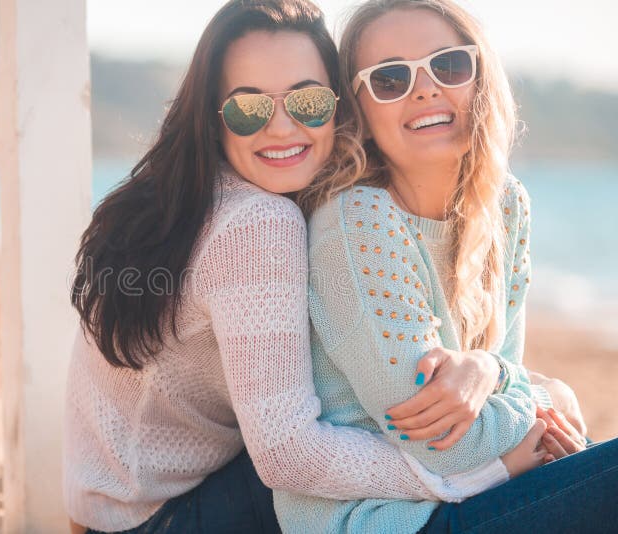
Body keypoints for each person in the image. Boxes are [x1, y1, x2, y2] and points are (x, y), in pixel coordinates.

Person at [64, 1, 554, 532]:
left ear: (341, 107)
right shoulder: (259, 223)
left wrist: (501, 374)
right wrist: (482, 473)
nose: (281, 127)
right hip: (164, 517)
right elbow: (289, 455)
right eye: (248, 109)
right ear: (213, 117)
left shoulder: (190, 197)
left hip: (106, 509)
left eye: (309, 101)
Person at [274, 1, 618, 532]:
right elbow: (445, 446)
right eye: (390, 78)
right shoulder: (355, 221)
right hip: (389, 520)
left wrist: (494, 372)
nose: (426, 89)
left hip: (483, 493)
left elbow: (503, 379)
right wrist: (554, 396)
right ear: (359, 111)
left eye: (449, 65)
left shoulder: (506, 204)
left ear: (480, 77)